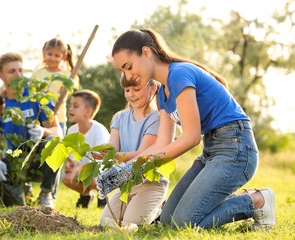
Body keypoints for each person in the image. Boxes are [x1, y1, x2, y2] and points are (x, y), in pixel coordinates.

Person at [109, 28, 275, 230]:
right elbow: (162, 144)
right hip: (212, 150)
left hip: (236, 148)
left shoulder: (179, 74)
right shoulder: (162, 95)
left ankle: (257, 200)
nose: (128, 75)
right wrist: (129, 167)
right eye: (122, 71)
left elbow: (190, 138)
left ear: (146, 52)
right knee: (168, 220)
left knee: (183, 223)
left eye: (128, 67)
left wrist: (132, 167)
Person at [0, 52, 63, 208]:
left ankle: (46, 194)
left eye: (20, 70)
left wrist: (42, 131)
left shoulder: (38, 97)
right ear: (1, 77)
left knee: (54, 143)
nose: (18, 75)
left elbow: (57, 132)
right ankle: (13, 190)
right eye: (12, 71)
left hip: (39, 160)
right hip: (14, 161)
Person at [98, 75, 168, 229]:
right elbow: (113, 148)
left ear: (153, 88)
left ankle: (161, 208)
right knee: (106, 224)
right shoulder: (119, 117)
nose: (131, 94)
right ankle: (142, 206)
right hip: (126, 183)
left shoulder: (156, 118)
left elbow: (142, 153)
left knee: (131, 225)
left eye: (136, 89)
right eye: (127, 89)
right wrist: (103, 151)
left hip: (150, 183)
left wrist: (115, 155)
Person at [62, 90, 110, 208]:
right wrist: (71, 164)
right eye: (70, 105)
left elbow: (98, 160)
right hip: (83, 169)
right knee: (66, 177)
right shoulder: (71, 130)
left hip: (101, 170)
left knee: (94, 178)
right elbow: (73, 156)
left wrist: (77, 169)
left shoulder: (99, 130)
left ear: (88, 112)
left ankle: (103, 197)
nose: (70, 109)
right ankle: (86, 195)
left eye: (76, 106)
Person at [31, 37, 79, 135]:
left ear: (64, 57)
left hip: (58, 119)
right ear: (44, 54)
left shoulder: (67, 76)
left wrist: (46, 92)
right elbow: (30, 93)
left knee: (55, 147)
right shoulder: (37, 73)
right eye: (50, 54)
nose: (52, 58)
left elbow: (61, 100)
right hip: (37, 119)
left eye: (57, 55)